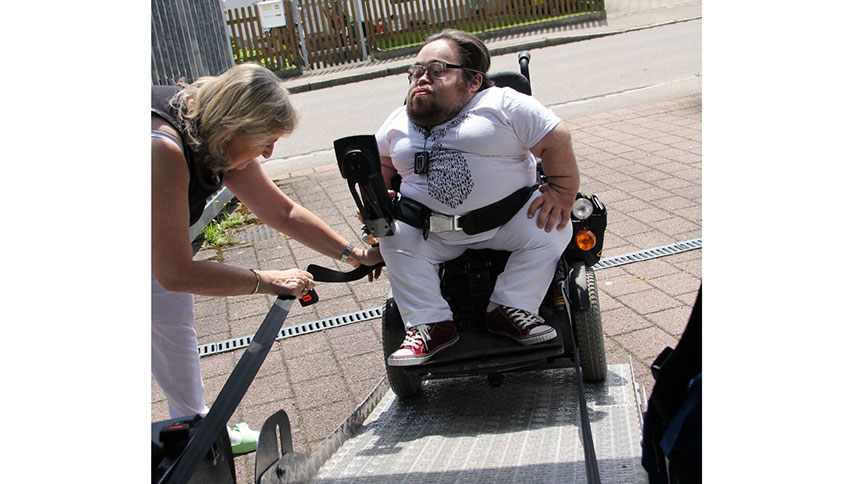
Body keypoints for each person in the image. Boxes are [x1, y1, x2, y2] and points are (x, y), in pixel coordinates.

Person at [151, 63, 383, 452]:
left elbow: (281, 212)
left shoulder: (213, 138)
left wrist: (352, 254)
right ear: (233, 126)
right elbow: (175, 271)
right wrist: (264, 280)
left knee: (173, 323)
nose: (269, 152)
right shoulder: (162, 148)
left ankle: (196, 431)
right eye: (265, 140)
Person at [374, 30, 581, 366]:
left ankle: (511, 307)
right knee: (393, 239)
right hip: (428, 229)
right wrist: (382, 193)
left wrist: (562, 190)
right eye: (416, 71)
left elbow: (555, 137)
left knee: (554, 227)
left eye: (437, 69)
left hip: (507, 220)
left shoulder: (503, 104)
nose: (421, 78)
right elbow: (381, 159)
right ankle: (430, 324)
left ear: (473, 81)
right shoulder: (397, 120)